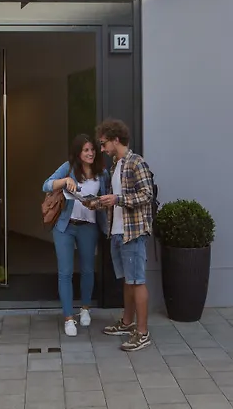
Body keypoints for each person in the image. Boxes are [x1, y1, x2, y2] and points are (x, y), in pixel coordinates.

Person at [92, 118, 154, 351]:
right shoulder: (115, 166)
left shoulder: (136, 162)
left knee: (137, 281)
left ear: (116, 140)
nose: (102, 149)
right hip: (117, 232)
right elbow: (115, 200)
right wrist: (97, 203)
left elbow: (146, 194)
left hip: (133, 233)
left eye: (103, 143)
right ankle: (127, 323)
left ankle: (143, 333)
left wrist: (117, 199)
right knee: (128, 281)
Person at [42, 134, 109, 337]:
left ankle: (85, 308)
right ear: (78, 153)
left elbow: (106, 199)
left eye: (92, 150)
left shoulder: (102, 173)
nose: (90, 153)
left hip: (89, 227)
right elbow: (46, 185)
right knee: (65, 272)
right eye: (86, 150)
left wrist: (98, 203)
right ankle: (68, 318)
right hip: (65, 226)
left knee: (88, 269)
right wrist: (64, 181)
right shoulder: (68, 168)